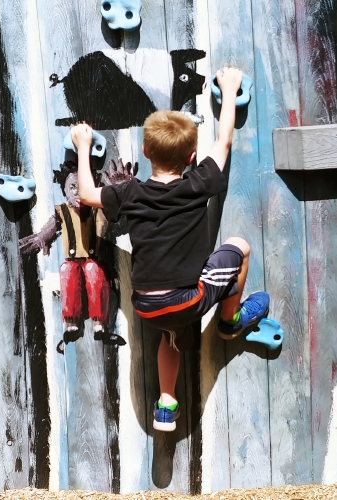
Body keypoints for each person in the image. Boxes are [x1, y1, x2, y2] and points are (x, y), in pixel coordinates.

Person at [72, 67, 270, 432]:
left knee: (171, 337)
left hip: (147, 306)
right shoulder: (198, 183)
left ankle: (166, 405)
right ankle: (230, 321)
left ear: (145, 151)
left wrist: (83, 147)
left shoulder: (129, 193)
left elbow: (85, 194)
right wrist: (228, 91)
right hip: (187, 300)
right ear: (192, 156)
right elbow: (224, 141)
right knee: (239, 248)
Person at [18, 159, 132, 353]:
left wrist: (120, 191)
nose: (78, 192)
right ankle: (72, 323)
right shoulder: (62, 212)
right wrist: (40, 238)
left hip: (94, 261)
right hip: (73, 262)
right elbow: (49, 230)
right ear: (64, 191)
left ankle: (99, 324)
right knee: (67, 270)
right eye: (72, 187)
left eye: (83, 186)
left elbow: (117, 216)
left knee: (93, 269)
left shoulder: (98, 209)